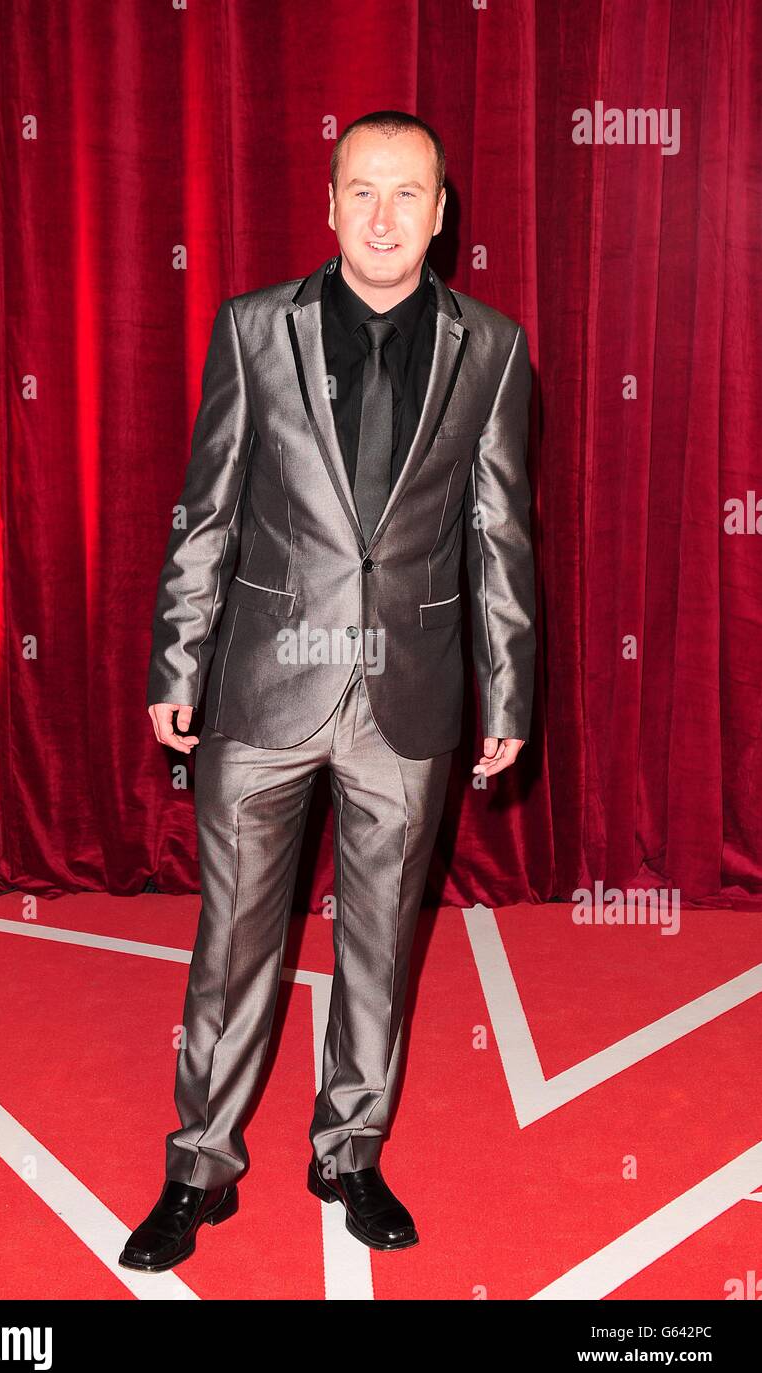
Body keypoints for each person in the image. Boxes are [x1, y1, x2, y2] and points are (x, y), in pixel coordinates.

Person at [120, 110, 536, 1272]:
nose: (386, 216)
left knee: (379, 947)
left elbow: (501, 533)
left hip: (408, 696)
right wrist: (177, 656)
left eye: (409, 194)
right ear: (330, 202)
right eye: (364, 190)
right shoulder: (255, 328)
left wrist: (506, 691)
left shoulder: (493, 349)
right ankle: (198, 1165)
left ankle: (349, 1149)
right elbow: (206, 506)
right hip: (264, 686)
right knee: (232, 941)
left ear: (442, 213)